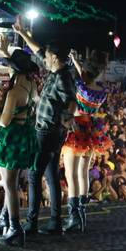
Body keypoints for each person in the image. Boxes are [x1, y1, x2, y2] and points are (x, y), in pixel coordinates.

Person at [13, 18, 77, 235]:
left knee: (34, 175)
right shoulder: (56, 72)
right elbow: (39, 51)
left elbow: (71, 100)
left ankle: (31, 223)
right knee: (51, 176)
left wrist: (67, 117)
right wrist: (22, 33)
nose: (45, 59)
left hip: (48, 132)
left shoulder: (63, 77)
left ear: (55, 57)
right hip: (51, 131)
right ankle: (54, 222)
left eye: (48, 56)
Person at [0, 37, 39, 246]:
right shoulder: (31, 84)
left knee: (9, 185)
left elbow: (5, 121)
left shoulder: (14, 92)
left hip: (11, 137)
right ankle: (3, 222)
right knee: (12, 183)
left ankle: (15, 229)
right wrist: (5, 52)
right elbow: (16, 69)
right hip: (25, 135)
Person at [61, 49, 110, 233]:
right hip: (91, 130)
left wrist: (74, 61)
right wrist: (76, 61)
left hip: (76, 129)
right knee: (83, 173)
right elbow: (85, 74)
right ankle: (81, 214)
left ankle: (73, 216)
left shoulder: (80, 86)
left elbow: (81, 77)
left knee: (71, 174)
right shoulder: (101, 91)